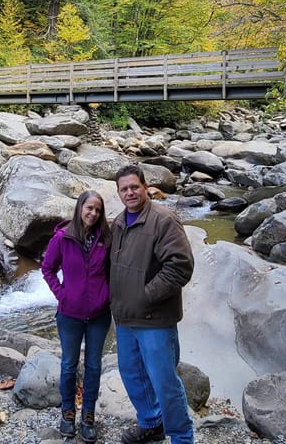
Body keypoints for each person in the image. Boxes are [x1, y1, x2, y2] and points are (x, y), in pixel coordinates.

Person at [110, 164, 195, 444]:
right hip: (125, 319)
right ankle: (151, 423)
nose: (130, 193)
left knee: (165, 383)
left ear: (146, 187)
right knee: (132, 375)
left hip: (155, 319)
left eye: (134, 187)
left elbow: (180, 266)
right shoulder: (119, 223)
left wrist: (146, 295)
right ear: (119, 193)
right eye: (124, 189)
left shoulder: (163, 220)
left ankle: (182, 436)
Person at [41, 190, 112, 442]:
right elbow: (47, 268)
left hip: (99, 315)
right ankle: (68, 413)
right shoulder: (62, 238)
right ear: (80, 207)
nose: (93, 213)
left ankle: (88, 415)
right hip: (69, 314)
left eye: (97, 210)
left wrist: (108, 294)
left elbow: (113, 272)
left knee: (94, 366)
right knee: (69, 365)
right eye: (89, 208)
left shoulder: (106, 238)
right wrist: (62, 294)